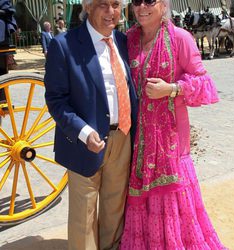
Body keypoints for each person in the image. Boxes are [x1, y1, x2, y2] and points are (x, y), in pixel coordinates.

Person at [120, 0, 227, 249]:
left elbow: (205, 84)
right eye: (136, 1)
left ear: (164, 5)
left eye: (150, 0)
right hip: (138, 141)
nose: (142, 7)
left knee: (173, 200)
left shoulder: (180, 38)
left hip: (171, 142)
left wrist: (173, 89)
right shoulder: (128, 40)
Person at [44, 0, 138, 249]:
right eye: (102, 5)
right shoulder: (63, 45)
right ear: (88, 7)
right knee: (83, 214)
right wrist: (83, 132)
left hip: (123, 137)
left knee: (114, 207)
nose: (111, 12)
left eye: (116, 4)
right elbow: (56, 100)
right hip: (84, 143)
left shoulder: (123, 42)